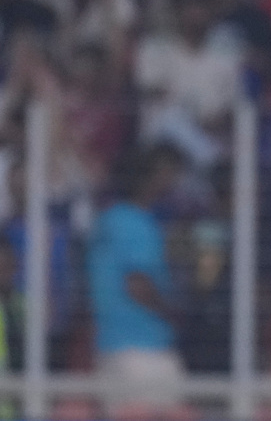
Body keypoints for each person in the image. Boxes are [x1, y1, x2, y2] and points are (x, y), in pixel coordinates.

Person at [86, 142, 188, 420]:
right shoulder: (139, 224)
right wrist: (171, 313)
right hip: (146, 351)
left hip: (108, 347)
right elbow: (137, 284)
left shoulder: (105, 222)